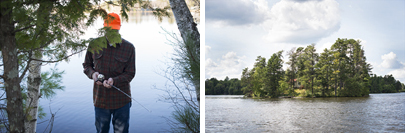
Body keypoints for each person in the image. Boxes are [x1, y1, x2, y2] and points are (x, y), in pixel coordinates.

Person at [82, 12, 136, 133]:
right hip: (100, 100)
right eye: (109, 30)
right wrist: (93, 74)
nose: (112, 33)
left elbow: (130, 73)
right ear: (104, 28)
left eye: (115, 30)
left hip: (121, 101)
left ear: (119, 28)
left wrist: (114, 81)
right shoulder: (94, 44)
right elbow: (87, 65)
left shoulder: (129, 48)